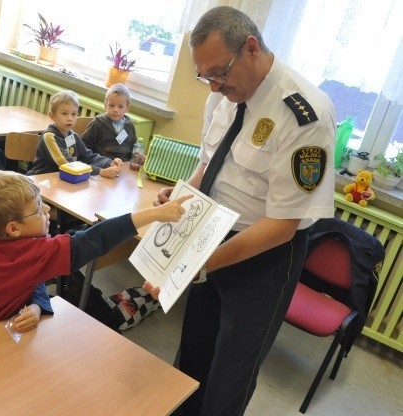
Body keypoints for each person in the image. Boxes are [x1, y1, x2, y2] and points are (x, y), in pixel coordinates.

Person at [143, 7, 336, 416]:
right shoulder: (224, 96)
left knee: (230, 373)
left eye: (219, 73)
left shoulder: (306, 115)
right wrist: (181, 197)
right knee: (193, 351)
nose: (212, 87)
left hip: (265, 257)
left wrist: (199, 263)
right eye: (205, 76)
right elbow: (209, 162)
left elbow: (283, 225)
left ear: (251, 48)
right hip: (209, 235)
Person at [0, 170, 190, 341]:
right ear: (14, 228)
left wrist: (36, 305)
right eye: (37, 208)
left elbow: (32, 276)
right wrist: (154, 213)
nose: (46, 210)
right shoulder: (32, 253)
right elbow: (95, 240)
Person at [27, 90, 122, 178]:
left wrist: (109, 163)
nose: (70, 118)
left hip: (63, 179)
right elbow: (68, 165)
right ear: (53, 116)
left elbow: (88, 156)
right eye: (64, 113)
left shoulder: (73, 136)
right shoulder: (49, 137)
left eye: (74, 114)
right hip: (42, 180)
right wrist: (101, 172)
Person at [81, 83, 137, 161]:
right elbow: (84, 147)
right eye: (111, 105)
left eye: (120, 106)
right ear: (105, 105)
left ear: (127, 108)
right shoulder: (98, 123)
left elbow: (133, 149)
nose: (115, 110)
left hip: (123, 166)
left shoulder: (129, 126)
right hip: (102, 165)